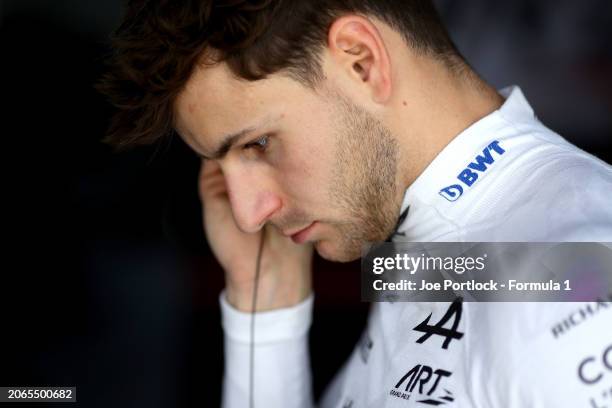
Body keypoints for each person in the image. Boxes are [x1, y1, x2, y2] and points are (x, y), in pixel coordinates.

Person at [97, 1, 612, 406]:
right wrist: (266, 308)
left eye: (258, 144)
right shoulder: (427, 247)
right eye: (220, 165)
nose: (248, 213)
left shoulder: (583, 283)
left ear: (361, 62)